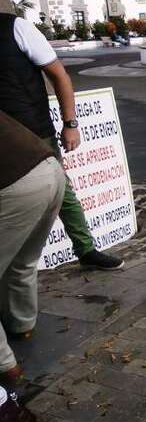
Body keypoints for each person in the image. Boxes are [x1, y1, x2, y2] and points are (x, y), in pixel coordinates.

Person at [0, 12, 123, 270]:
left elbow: (59, 76)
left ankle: (85, 249)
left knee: (62, 193)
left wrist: (70, 124)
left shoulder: (16, 27)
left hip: (34, 134)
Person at [0, 111, 66, 388]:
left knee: (21, 261)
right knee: (23, 261)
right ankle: (22, 326)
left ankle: (5, 367)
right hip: (48, 168)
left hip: (16, 183)